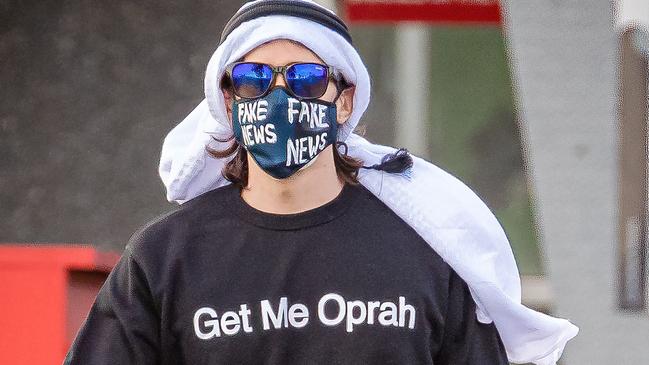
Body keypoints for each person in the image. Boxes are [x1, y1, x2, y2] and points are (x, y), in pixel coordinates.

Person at [65, 1, 578, 364]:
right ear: (227, 100)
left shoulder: (425, 252)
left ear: (346, 100)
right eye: (254, 79)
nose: (279, 98)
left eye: (306, 80)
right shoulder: (165, 259)